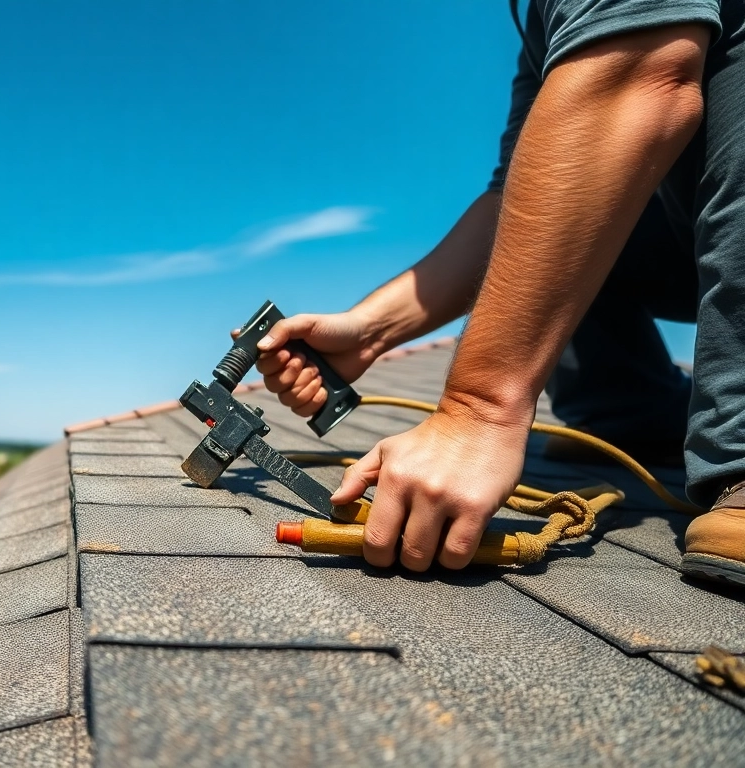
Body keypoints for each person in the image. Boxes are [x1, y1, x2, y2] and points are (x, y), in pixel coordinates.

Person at [252, 1, 744, 586]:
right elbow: (517, 200)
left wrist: (479, 412)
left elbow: (640, 76)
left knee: (615, 106)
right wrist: (370, 329)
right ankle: (636, 416)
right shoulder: (542, 15)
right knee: (564, 176)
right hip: (694, 233)